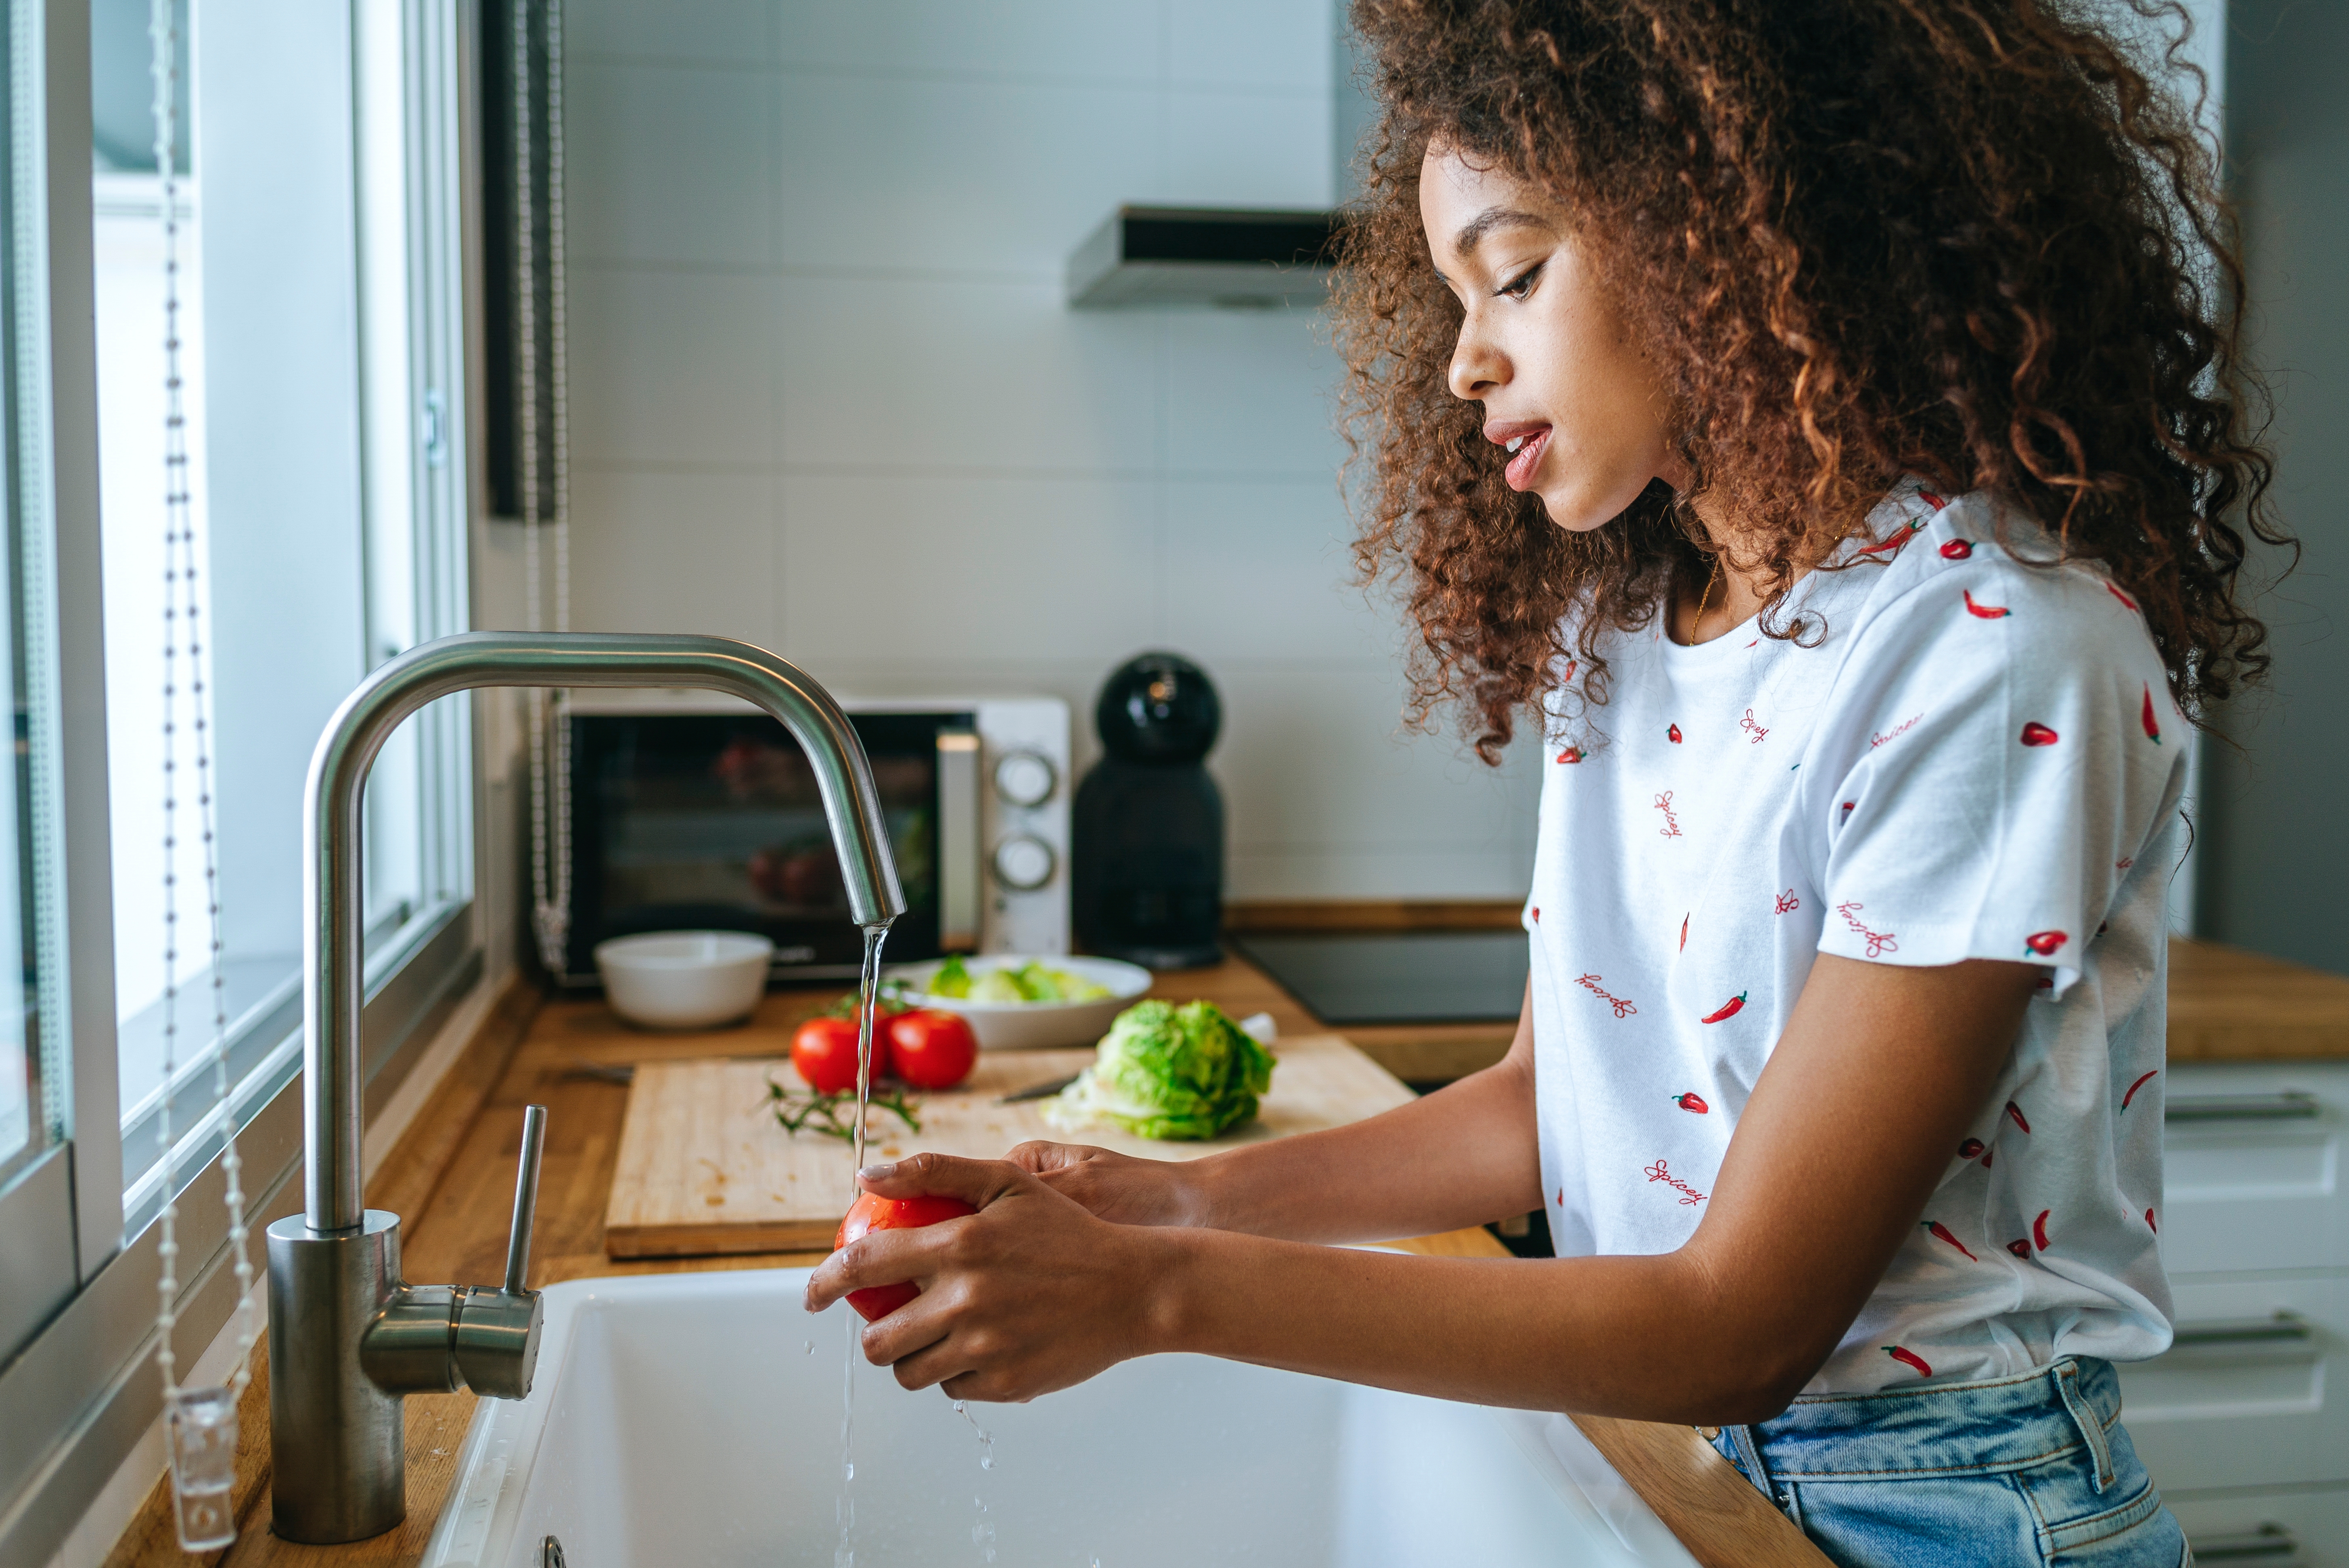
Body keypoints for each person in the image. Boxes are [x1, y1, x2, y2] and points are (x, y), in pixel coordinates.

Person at [808, 3, 2287, 1560]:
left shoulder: (1992, 650)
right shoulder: (1623, 630)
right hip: (1682, 1449)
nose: (1464, 359)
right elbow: (1543, 1109)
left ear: (1724, 221)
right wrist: (1150, 1204)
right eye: (1453, 296)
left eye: (1514, 273)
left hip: (1949, 1503)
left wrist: (1162, 1294)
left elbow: (1742, 1323)